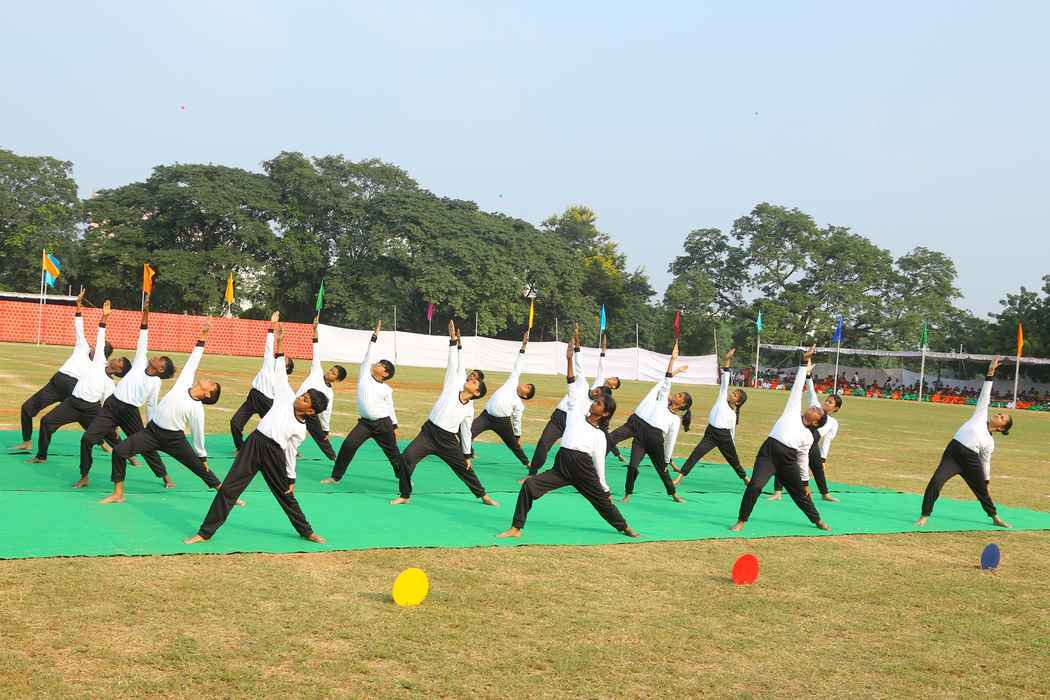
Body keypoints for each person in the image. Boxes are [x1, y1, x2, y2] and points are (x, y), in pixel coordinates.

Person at [185, 321, 327, 543]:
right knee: (229, 489)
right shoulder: (285, 396)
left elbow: (290, 454)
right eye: (303, 394)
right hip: (254, 444)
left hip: (274, 454)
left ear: (310, 411)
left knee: (286, 495)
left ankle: (306, 531)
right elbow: (280, 370)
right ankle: (205, 533)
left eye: (305, 399)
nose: (301, 397)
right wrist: (280, 342)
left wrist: (291, 477)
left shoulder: (300, 429)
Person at [497, 332, 639, 539]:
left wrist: (605, 488)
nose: (594, 403)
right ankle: (516, 528)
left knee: (602, 502)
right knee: (530, 485)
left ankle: (624, 527)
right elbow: (572, 383)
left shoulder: (599, 436)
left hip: (583, 469)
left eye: (599, 403)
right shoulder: (575, 413)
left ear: (605, 413)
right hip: (562, 466)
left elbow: (599, 464)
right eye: (596, 401)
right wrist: (569, 359)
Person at [100, 320, 233, 504]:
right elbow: (193, 362)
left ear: (208, 394)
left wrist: (202, 456)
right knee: (119, 451)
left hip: (174, 439)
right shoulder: (184, 383)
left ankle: (226, 494)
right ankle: (118, 493)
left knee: (199, 468)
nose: (209, 381)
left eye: (212, 385)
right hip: (152, 432)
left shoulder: (197, 409)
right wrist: (202, 337)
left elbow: (198, 434)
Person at [390, 320, 498, 507]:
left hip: (447, 441)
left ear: (476, 393)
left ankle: (483, 495)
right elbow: (453, 365)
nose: (470, 380)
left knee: (463, 468)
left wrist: (467, 454)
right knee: (406, 459)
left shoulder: (469, 409)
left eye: (474, 383)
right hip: (428, 433)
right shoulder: (452, 386)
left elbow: (466, 432)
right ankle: (405, 495)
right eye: (471, 379)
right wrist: (453, 342)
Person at [73, 296, 174, 489]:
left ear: (160, 369)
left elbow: (152, 405)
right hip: (112, 406)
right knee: (87, 439)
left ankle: (165, 476)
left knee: (145, 444)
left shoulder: (155, 383)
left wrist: (152, 426)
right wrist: (146, 312)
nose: (155, 357)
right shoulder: (140, 361)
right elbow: (143, 333)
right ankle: (84, 476)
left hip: (130, 412)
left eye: (159, 360)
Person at [730, 346, 831, 533]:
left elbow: (802, 459)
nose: (814, 408)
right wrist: (803, 362)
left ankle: (817, 520)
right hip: (768, 454)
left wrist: (805, 483)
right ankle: (741, 520)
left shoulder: (808, 437)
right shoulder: (792, 411)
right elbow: (797, 388)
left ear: (816, 423)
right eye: (815, 407)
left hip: (788, 461)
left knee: (800, 494)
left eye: (818, 411)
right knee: (755, 486)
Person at [28, 301, 131, 464]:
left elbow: (109, 405)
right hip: (72, 403)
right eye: (118, 358)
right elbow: (100, 337)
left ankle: (129, 455)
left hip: (91, 409)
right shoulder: (99, 360)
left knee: (110, 433)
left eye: (119, 361)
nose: (116, 359)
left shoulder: (111, 385)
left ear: (119, 370)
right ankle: (41, 456)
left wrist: (114, 425)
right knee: (46, 422)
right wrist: (104, 317)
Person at [916, 356, 1012, 528]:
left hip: (970, 461)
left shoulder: (989, 443)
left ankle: (995, 517)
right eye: (1000, 414)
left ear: (1001, 428)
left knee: (982, 492)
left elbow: (985, 462)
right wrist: (990, 372)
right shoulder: (980, 415)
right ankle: (924, 515)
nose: (998, 415)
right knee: (935, 482)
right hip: (952, 454)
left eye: (1002, 417)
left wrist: (986, 481)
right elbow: (985, 395)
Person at [12, 289, 113, 452]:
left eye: (100, 345)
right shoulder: (83, 346)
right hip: (56, 384)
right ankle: (26, 442)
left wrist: (105, 317)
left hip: (74, 389)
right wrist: (78, 305)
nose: (95, 344)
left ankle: (104, 443)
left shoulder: (101, 365)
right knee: (27, 408)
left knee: (84, 418)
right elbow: (78, 327)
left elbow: (105, 387)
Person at [605, 339, 691, 503]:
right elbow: (666, 380)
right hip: (638, 427)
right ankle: (627, 493)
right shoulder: (662, 399)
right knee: (630, 464)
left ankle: (673, 494)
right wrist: (673, 360)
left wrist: (667, 459)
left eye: (680, 396)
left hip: (654, 439)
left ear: (682, 405)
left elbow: (671, 440)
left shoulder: (674, 419)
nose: (676, 394)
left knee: (662, 469)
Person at [528, 333, 622, 475]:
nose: (596, 393)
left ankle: (562, 475)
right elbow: (579, 365)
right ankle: (532, 473)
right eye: (597, 390)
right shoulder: (582, 383)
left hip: (573, 424)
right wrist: (576, 347)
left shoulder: (593, 407)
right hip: (558, 418)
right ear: (596, 387)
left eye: (598, 395)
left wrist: (615, 451)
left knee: (567, 451)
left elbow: (601, 426)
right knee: (543, 443)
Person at [321, 319, 402, 484]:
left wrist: (394, 425)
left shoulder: (387, 389)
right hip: (365, 424)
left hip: (383, 424)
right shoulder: (365, 375)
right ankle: (336, 477)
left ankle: (403, 477)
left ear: (385, 374)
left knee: (393, 453)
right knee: (348, 445)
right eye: (379, 362)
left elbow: (390, 407)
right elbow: (368, 356)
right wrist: (374, 337)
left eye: (381, 365)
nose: (377, 364)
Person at [672, 348, 749, 487]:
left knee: (734, 461)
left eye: (735, 395)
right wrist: (727, 359)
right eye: (733, 392)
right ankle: (679, 478)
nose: (731, 394)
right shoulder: (722, 398)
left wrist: (732, 443)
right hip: (711, 433)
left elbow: (732, 431)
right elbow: (725, 379)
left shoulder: (733, 414)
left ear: (738, 402)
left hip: (724, 437)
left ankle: (745, 479)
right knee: (696, 454)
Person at [769, 363, 843, 503]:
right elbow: (811, 391)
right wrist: (808, 374)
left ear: (836, 408)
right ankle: (777, 492)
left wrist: (823, 459)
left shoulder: (833, 423)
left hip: (813, 444)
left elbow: (827, 441)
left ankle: (825, 493)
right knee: (784, 463)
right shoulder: (815, 406)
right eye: (827, 400)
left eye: (830, 403)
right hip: (799, 439)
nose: (826, 403)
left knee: (818, 469)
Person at [229, 312, 294, 451]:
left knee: (275, 429)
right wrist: (272, 325)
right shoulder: (269, 362)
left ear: (286, 367)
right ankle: (241, 448)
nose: (281, 357)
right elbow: (269, 345)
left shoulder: (282, 377)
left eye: (285, 359)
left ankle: (288, 448)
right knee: (235, 423)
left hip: (267, 403)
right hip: (253, 397)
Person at [470, 329, 535, 467]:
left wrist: (518, 436)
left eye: (528, 387)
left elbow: (517, 420)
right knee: (468, 433)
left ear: (525, 395)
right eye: (527, 384)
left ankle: (527, 463)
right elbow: (518, 365)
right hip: (486, 416)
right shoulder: (513, 381)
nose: (525, 385)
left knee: (514, 445)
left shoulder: (519, 404)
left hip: (502, 423)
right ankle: (468, 453)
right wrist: (523, 346)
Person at [296, 314, 347, 461]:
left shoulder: (329, 393)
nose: (329, 372)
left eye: (333, 373)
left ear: (337, 380)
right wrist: (314, 330)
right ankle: (290, 450)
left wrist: (325, 428)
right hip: (296, 404)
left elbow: (326, 412)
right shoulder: (317, 370)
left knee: (320, 437)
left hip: (310, 411)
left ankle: (333, 457)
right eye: (331, 369)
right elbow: (316, 351)